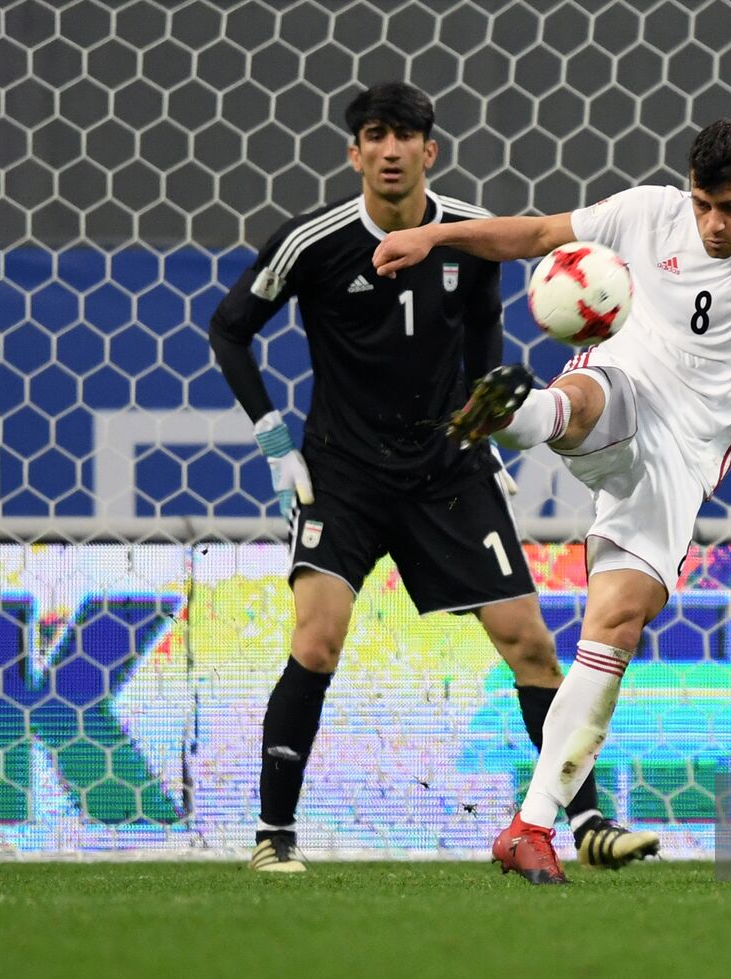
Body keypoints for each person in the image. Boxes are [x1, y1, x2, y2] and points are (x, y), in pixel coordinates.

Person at [373, 119, 731, 884]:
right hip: (622, 390)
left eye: (730, 208)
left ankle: (530, 827)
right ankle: (519, 414)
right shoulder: (648, 211)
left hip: (682, 463)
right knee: (594, 392)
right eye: (702, 204)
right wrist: (435, 236)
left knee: (615, 629)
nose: (713, 224)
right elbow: (536, 234)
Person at [208, 82, 656, 873]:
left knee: (532, 645)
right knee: (317, 637)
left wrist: (485, 424)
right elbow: (229, 328)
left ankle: (587, 821)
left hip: (447, 470)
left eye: (405, 136)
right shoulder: (312, 241)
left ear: (430, 150)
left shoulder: (467, 238)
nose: (391, 150)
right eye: (376, 136)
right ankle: (273, 836)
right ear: (354, 153)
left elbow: (483, 326)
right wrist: (276, 441)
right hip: (343, 474)